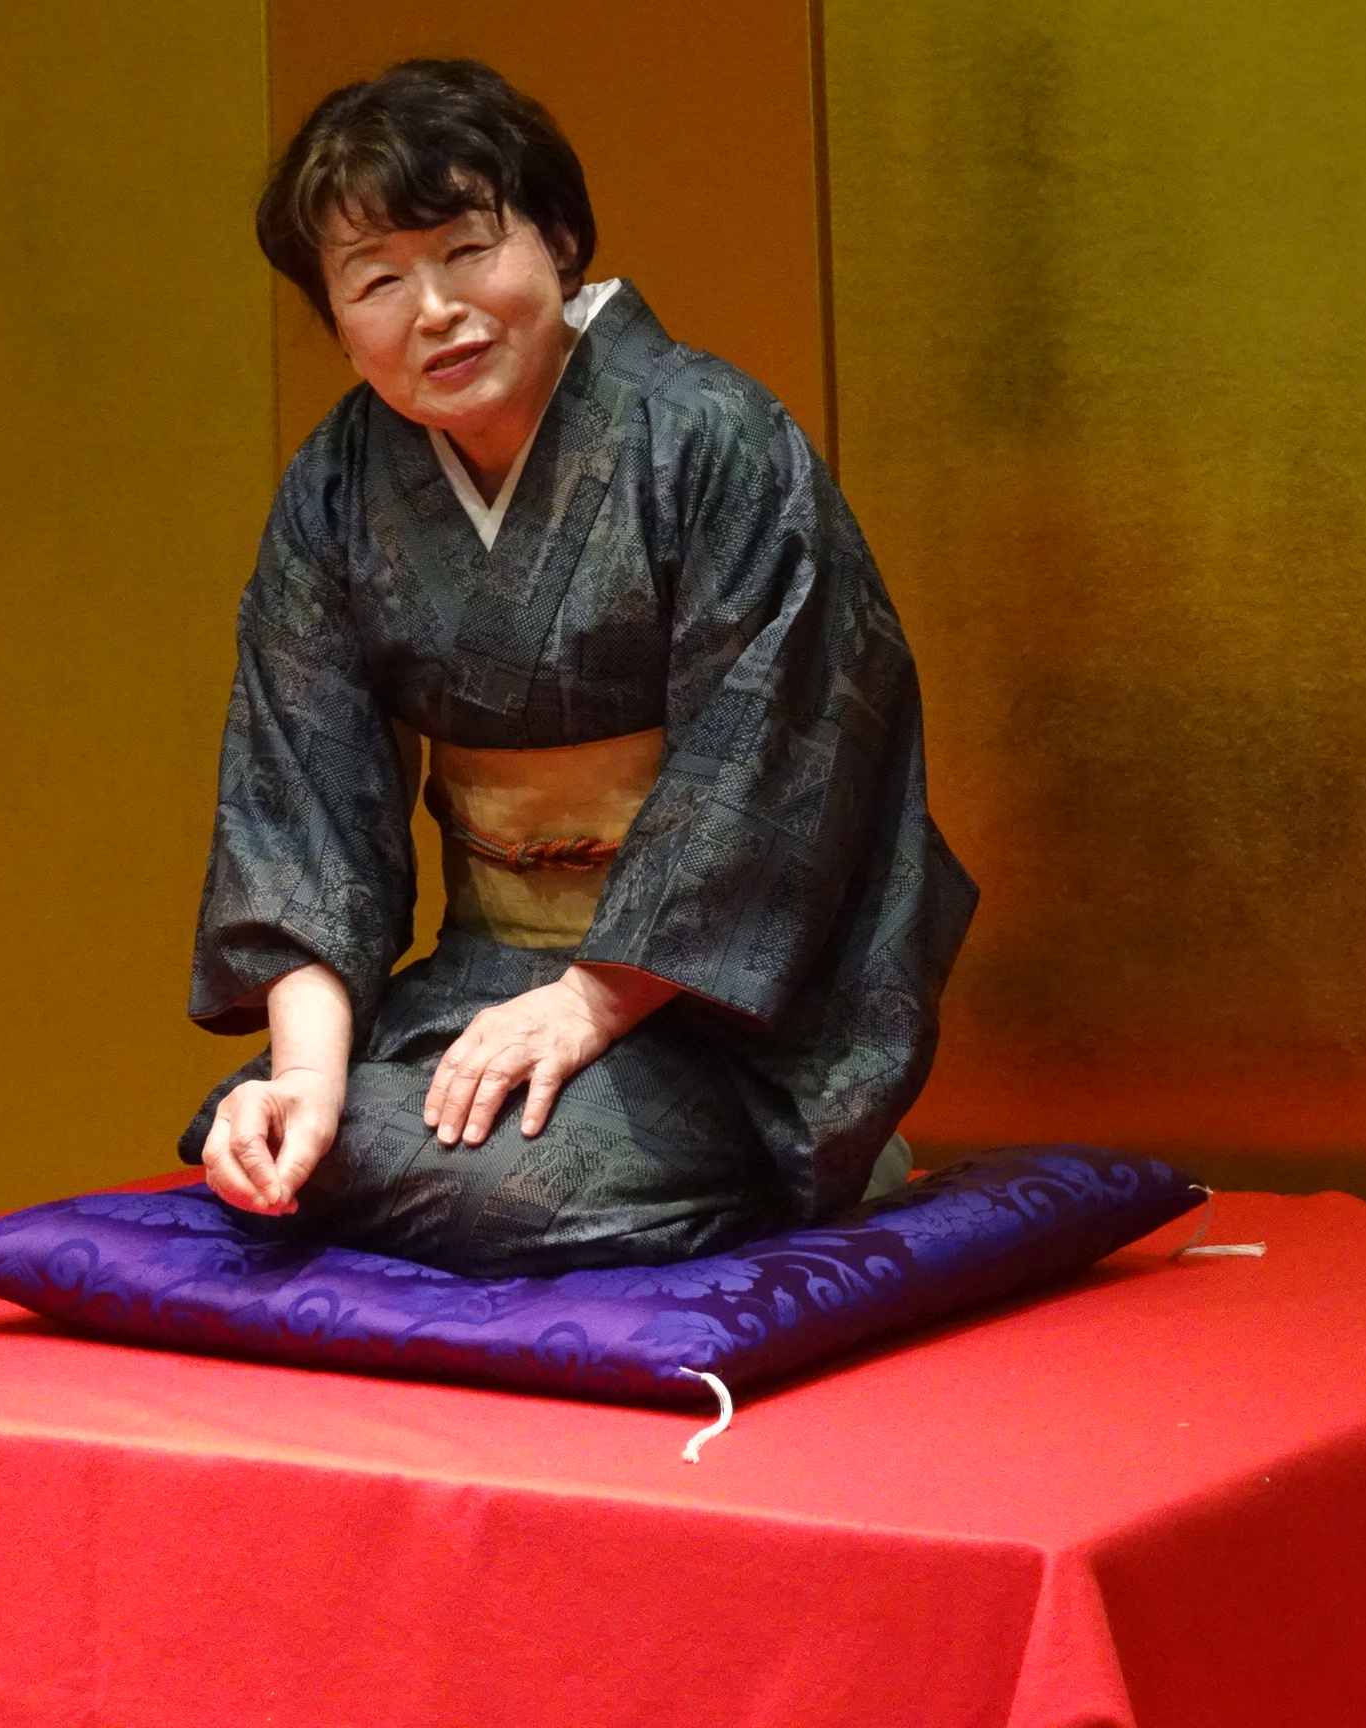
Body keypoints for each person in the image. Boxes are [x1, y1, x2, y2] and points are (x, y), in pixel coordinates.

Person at [180, 58, 975, 1276]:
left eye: (467, 249)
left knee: (512, 1186)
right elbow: (302, 803)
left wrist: (592, 1001)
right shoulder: (334, 489)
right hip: (486, 978)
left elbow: (774, 764)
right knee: (263, 1136)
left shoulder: (707, 437)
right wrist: (304, 1077)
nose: (435, 310)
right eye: (377, 280)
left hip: (720, 1004)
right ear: (337, 324)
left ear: (556, 238)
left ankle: (798, 1151)